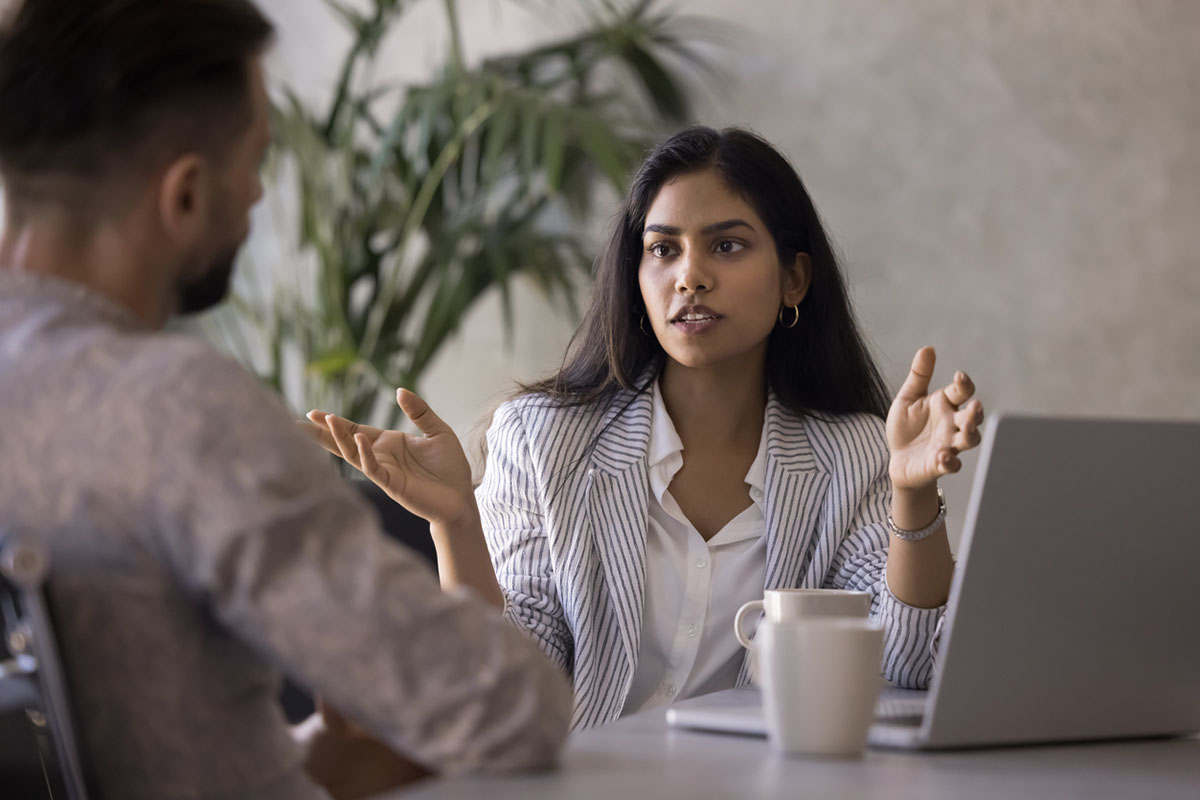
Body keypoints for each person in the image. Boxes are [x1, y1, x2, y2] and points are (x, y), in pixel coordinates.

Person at [0, 1, 572, 798]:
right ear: (188, 194)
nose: (258, 196)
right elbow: (513, 707)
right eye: (256, 161)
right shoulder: (179, 410)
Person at [308, 126, 984, 731]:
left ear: (794, 278)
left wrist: (912, 496)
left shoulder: (853, 455)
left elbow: (907, 666)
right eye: (663, 249)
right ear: (637, 278)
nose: (690, 277)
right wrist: (455, 525)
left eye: (727, 245)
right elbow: (507, 682)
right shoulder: (541, 440)